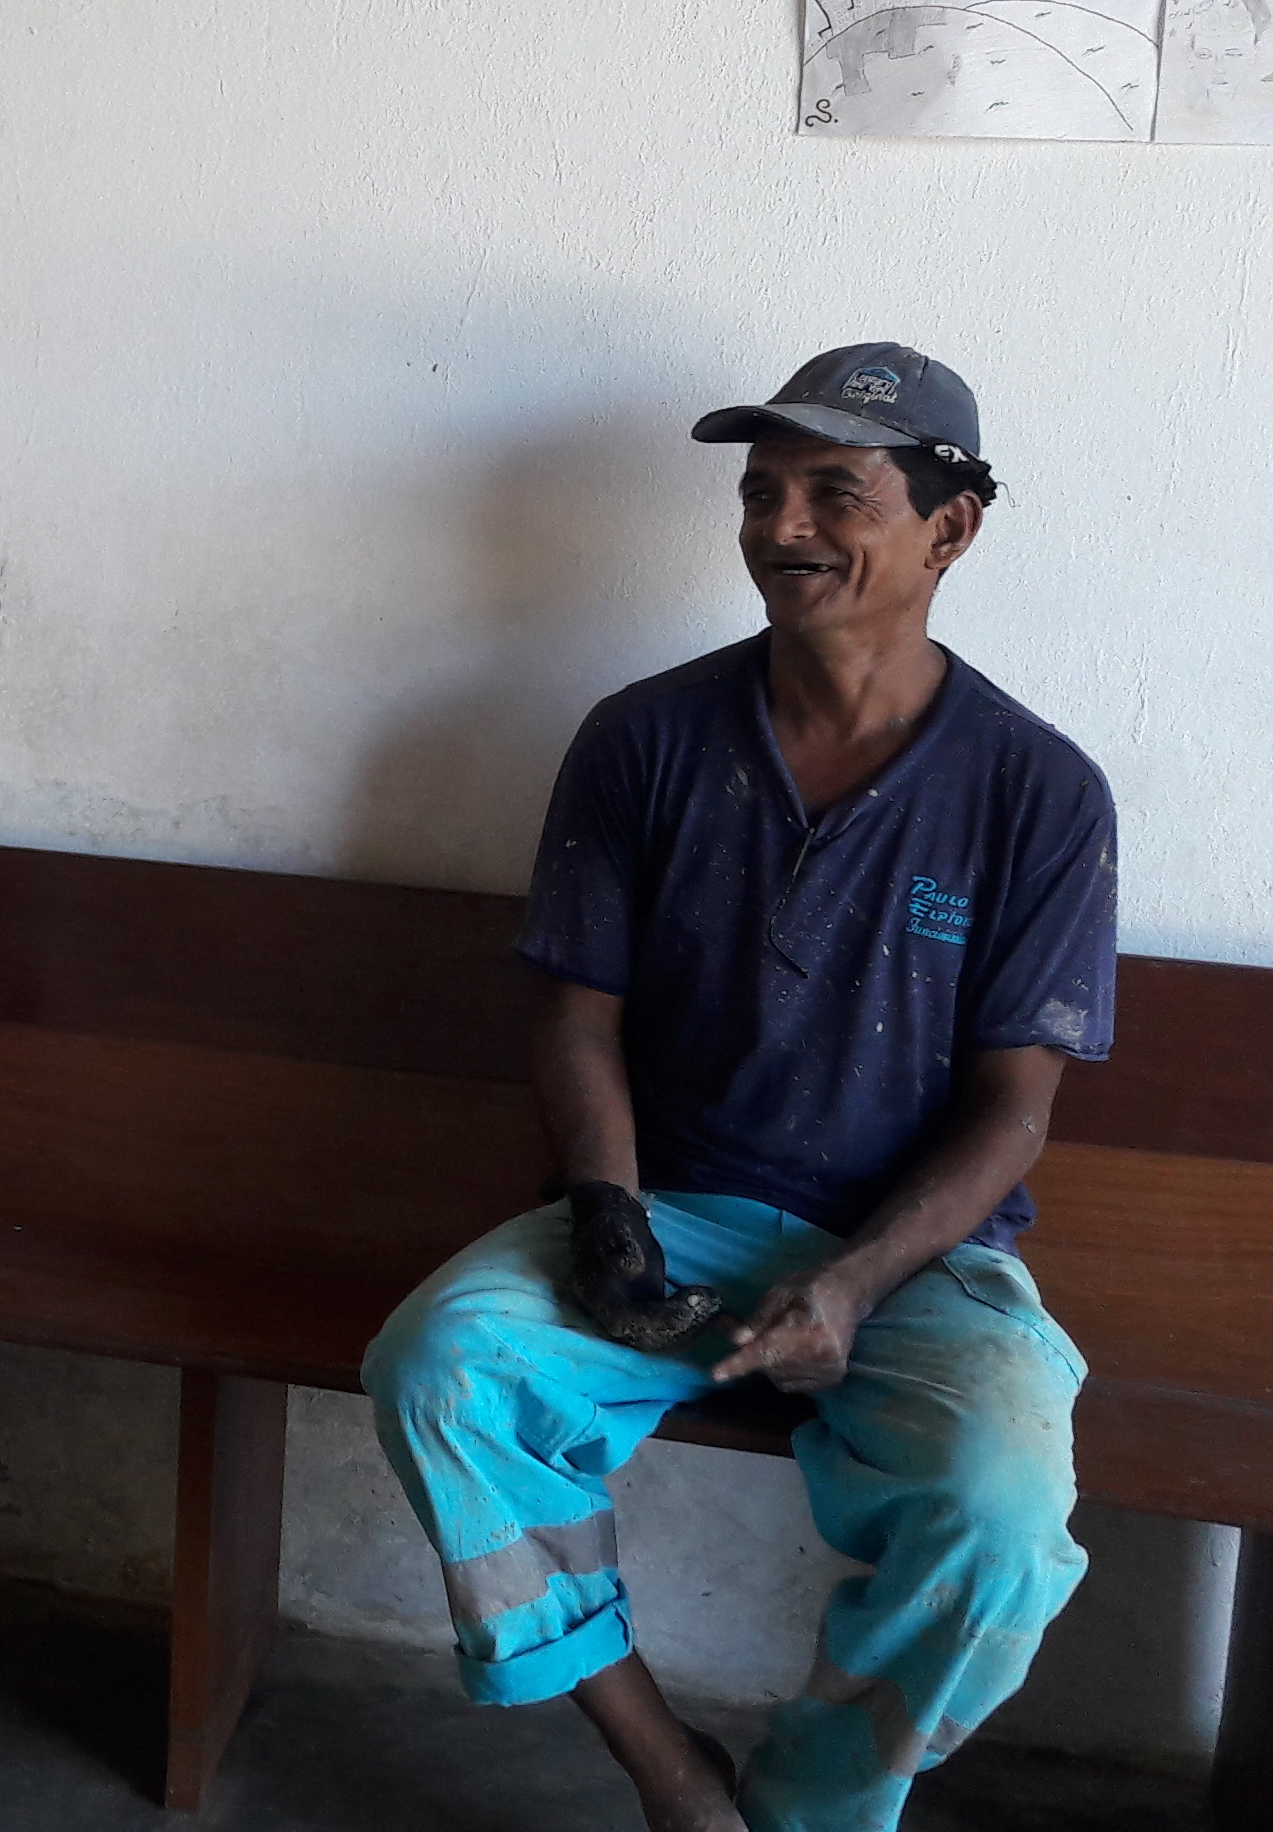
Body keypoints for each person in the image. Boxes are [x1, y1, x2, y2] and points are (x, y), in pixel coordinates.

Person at [361, 345, 1117, 1832]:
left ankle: (811, 1811)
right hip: (671, 1216)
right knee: (437, 1370)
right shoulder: (644, 739)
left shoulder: (1036, 792)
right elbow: (577, 1018)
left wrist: (851, 1283)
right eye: (762, 492)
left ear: (951, 529)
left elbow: (1013, 1109)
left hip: (915, 1258)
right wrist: (610, 1218)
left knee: (1002, 1513)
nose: (784, 525)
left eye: (836, 492)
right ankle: (671, 1776)